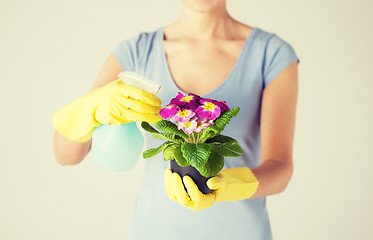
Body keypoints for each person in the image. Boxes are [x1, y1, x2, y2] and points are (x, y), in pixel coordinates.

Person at [52, 0, 299, 239]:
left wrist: (227, 185)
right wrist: (92, 108)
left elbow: (280, 168)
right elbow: (65, 154)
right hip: (154, 231)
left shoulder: (272, 54)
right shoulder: (136, 52)